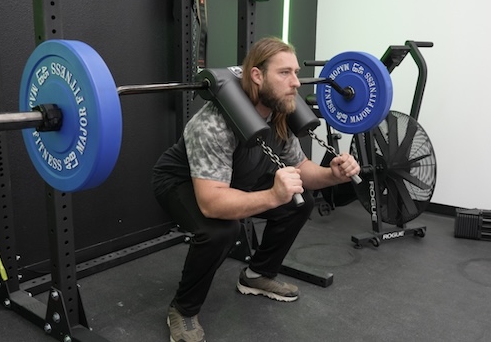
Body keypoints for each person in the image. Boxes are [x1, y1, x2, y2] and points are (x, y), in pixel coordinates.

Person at [151, 37, 360, 342]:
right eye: (284, 73)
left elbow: (301, 169)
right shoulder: (212, 124)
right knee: (221, 230)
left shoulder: (279, 113)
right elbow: (211, 202)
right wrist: (273, 195)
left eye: (296, 73)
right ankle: (183, 310)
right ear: (257, 76)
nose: (295, 83)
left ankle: (257, 275)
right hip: (183, 181)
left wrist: (333, 175)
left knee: (300, 202)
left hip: (236, 177)